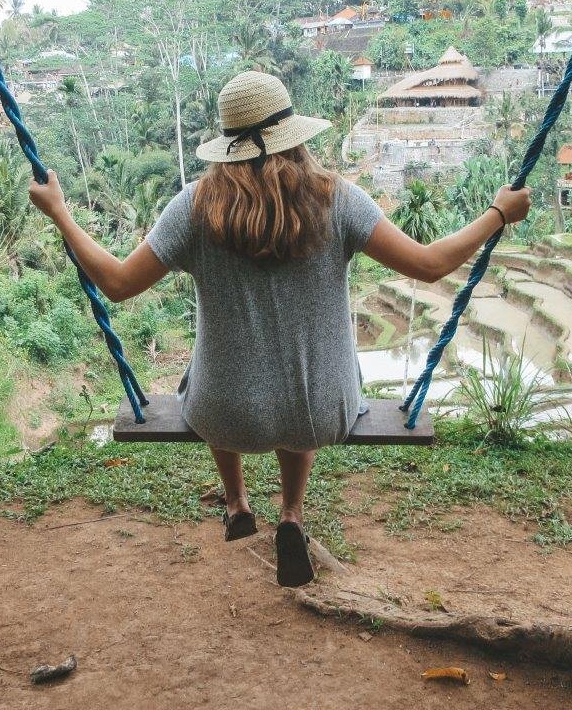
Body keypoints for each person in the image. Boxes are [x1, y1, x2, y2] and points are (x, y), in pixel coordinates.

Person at [28, 70, 530, 587]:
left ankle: (238, 501)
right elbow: (429, 264)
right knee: (302, 382)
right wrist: (497, 213)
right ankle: (291, 514)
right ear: (296, 136)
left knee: (202, 373)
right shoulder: (338, 201)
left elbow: (115, 282)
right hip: (322, 409)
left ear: (225, 147)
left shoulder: (195, 207)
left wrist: (60, 212)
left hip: (226, 414)